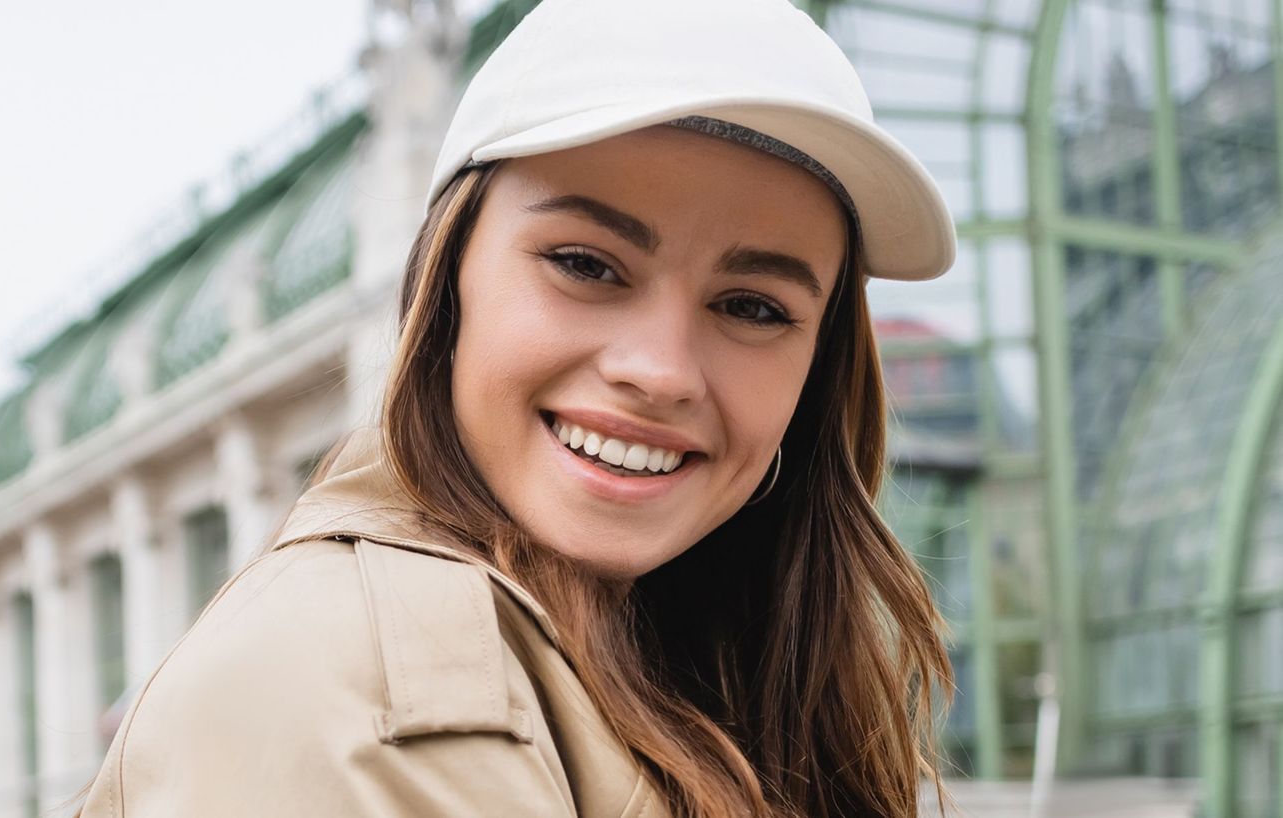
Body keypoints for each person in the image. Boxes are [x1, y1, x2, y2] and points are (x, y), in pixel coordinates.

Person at [71, 0, 958, 815]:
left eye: (753, 307)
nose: (659, 371)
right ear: (445, 277)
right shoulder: (375, 687)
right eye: (586, 262)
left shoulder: (681, 658)